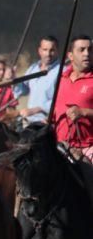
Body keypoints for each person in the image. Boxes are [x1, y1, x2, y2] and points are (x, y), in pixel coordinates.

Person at [53, 35, 93, 204]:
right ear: (70, 55)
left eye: (90, 50)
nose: (87, 54)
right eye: (81, 50)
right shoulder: (61, 79)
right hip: (60, 146)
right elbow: (54, 113)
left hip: (88, 147)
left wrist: (84, 112)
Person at [14, 35, 61, 123]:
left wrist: (38, 109)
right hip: (29, 120)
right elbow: (23, 90)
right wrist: (14, 79)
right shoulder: (33, 68)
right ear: (39, 51)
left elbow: (62, 99)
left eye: (52, 50)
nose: (48, 54)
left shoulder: (62, 71)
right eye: (45, 50)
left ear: (57, 51)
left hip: (47, 122)